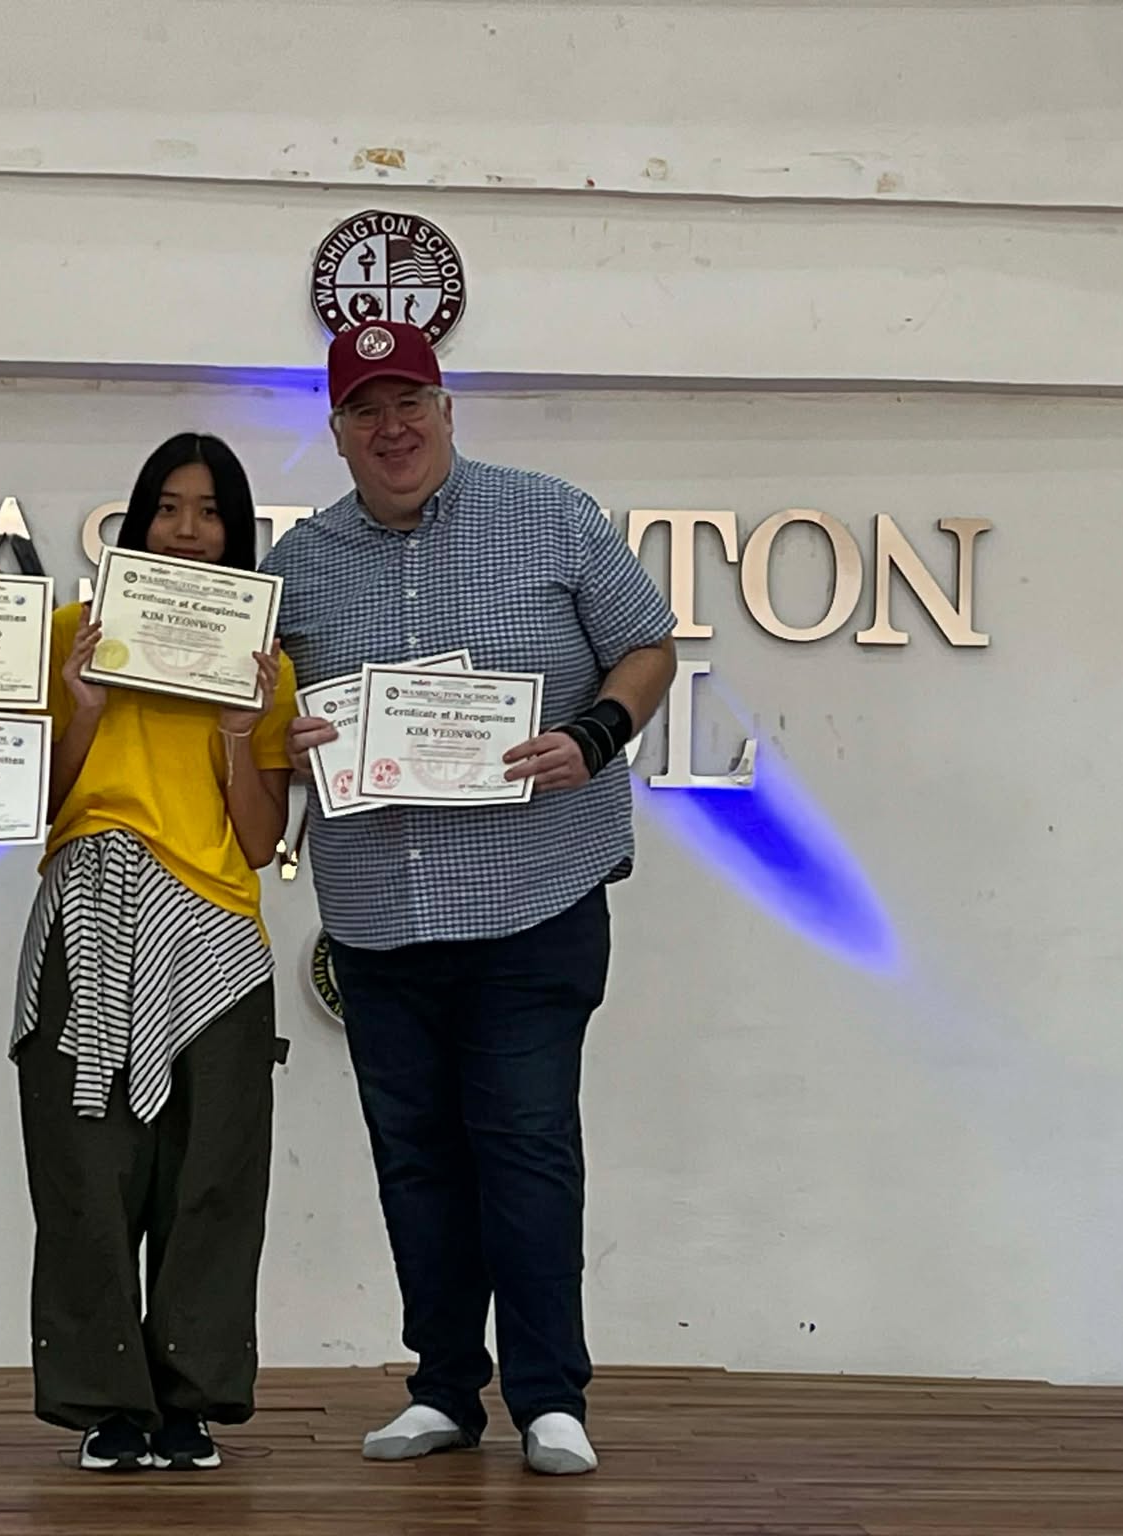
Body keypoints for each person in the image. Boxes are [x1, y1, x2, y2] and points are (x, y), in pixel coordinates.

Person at [264, 322, 678, 1477]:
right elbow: (265, 724)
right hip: (378, 913)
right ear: (335, 431)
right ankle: (443, 1389)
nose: (390, 428)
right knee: (414, 1162)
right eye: (364, 410)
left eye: (410, 403)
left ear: (447, 411)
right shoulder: (296, 565)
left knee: (526, 1147)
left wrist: (593, 734)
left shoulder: (550, 515)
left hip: (533, 898)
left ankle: (550, 1397)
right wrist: (281, 742)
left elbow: (647, 647)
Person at [2, 432, 297, 1474]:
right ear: (136, 521)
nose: (186, 530)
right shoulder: (73, 634)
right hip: (86, 907)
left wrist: (238, 729)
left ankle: (190, 1401)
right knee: (85, 1171)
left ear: (236, 531)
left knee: (211, 1173)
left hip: (216, 933)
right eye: (168, 507)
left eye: (209, 512)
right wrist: (80, 707)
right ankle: (103, 1403)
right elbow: (27, 803)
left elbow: (258, 840)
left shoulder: (266, 666)